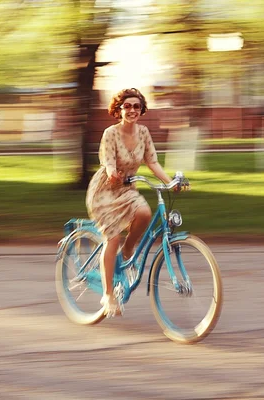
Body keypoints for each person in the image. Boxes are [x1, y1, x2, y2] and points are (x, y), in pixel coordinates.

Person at [86, 88, 173, 317]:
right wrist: (114, 173)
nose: (132, 110)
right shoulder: (110, 133)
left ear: (141, 109)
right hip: (105, 191)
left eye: (136, 106)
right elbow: (108, 163)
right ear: (119, 109)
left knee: (144, 212)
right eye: (127, 106)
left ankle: (128, 252)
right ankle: (108, 295)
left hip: (127, 189)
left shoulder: (143, 132)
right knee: (112, 238)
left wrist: (171, 182)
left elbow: (153, 162)